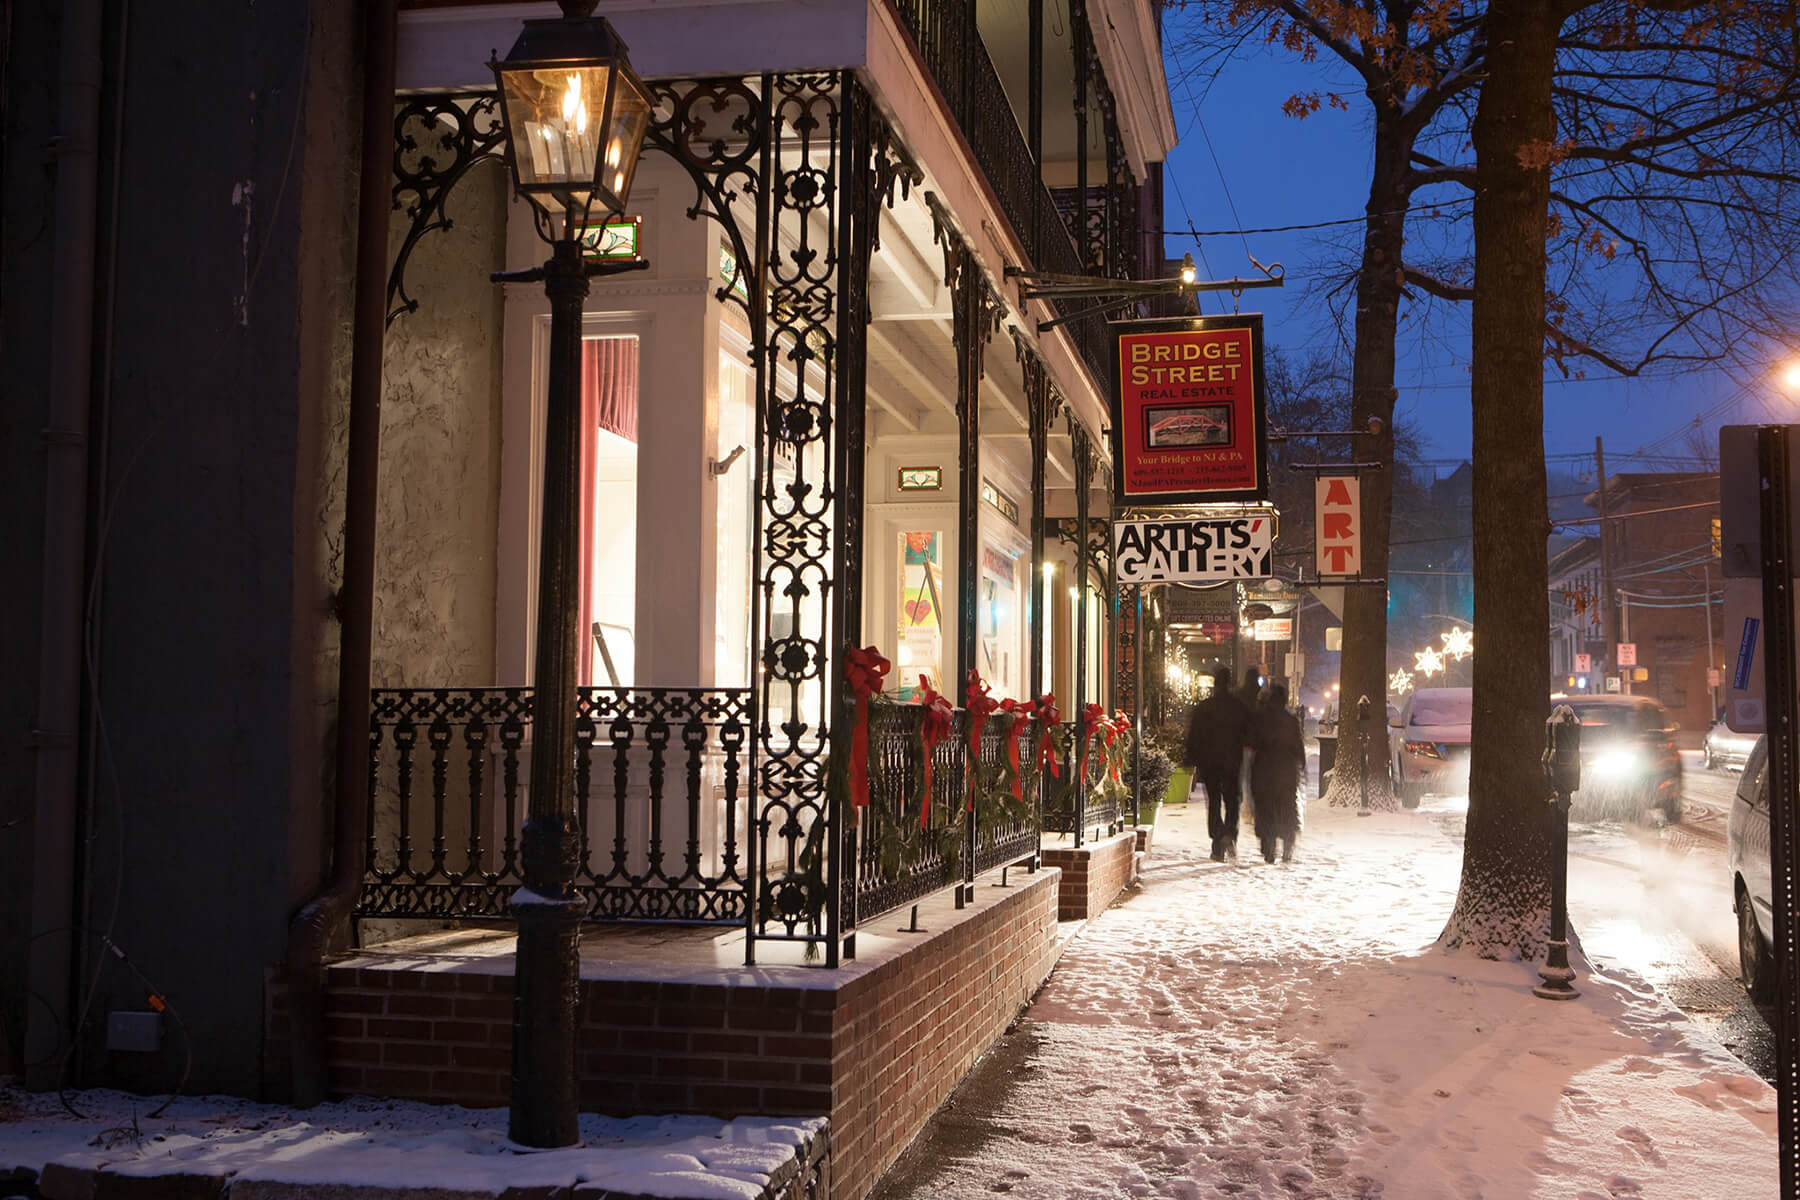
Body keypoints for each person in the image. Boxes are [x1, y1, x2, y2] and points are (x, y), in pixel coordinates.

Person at [1185, 666, 1251, 861]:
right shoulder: (1239, 707)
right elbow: (1249, 734)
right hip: (1233, 763)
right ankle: (1230, 833)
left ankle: (1217, 843)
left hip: (1211, 763)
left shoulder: (1204, 708)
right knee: (1233, 801)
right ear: (1229, 682)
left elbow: (1194, 736)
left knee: (1213, 802)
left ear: (1215, 683)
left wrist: (1192, 757)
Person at [1250, 683, 1305, 863]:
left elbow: (1252, 741)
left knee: (1266, 808)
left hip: (1265, 771)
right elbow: (1298, 747)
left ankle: (1269, 846)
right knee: (1287, 806)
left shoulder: (1261, 719)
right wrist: (1301, 767)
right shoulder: (1291, 721)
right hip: (1286, 772)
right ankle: (1288, 839)